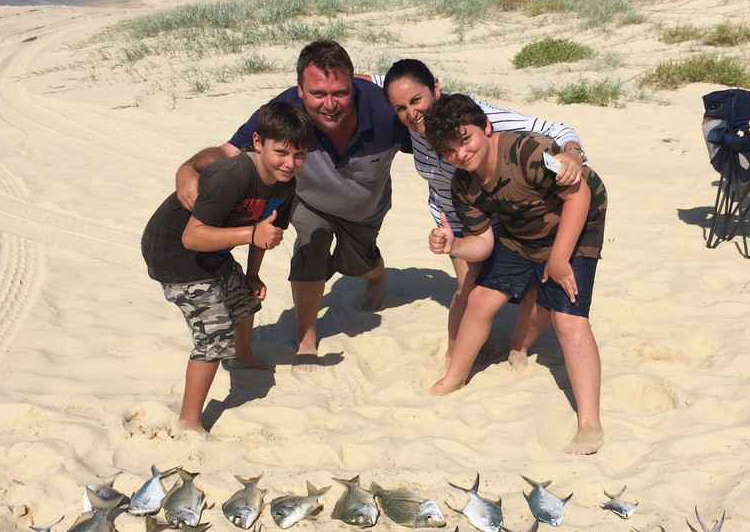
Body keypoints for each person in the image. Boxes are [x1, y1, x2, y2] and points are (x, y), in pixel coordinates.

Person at [176, 40, 411, 371]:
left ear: (353, 87)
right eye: (318, 93)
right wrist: (188, 169)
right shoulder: (284, 110)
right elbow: (229, 150)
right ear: (300, 90)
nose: (330, 104)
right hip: (309, 201)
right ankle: (306, 338)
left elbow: (436, 139)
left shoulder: (385, 111)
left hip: (365, 209)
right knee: (309, 251)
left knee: (359, 264)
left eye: (340, 92)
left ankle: (376, 276)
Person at [424, 94, 607, 456]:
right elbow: (483, 243)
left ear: (486, 128)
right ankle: (454, 376)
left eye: (465, 139)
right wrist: (454, 246)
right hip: (521, 231)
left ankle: (590, 423)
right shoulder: (463, 185)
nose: (461, 153)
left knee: (568, 321)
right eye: (449, 150)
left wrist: (557, 259)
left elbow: (579, 193)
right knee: (478, 298)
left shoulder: (528, 151)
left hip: (578, 222)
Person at [379, 59, 590, 370]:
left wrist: (571, 153)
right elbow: (375, 78)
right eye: (400, 108)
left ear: (435, 87)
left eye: (416, 100)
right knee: (468, 293)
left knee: (539, 290)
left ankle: (518, 347)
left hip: (503, 216)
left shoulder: (475, 119)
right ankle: (454, 357)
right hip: (453, 222)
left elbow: (555, 129)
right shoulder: (415, 125)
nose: (411, 113)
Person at [142, 101, 314, 433]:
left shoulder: (286, 184)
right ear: (258, 143)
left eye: (300, 155)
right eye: (281, 152)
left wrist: (252, 273)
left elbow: (267, 230)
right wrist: (251, 233)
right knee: (214, 335)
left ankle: (243, 356)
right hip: (172, 251)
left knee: (245, 299)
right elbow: (192, 237)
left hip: (214, 246)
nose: (290, 163)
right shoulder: (231, 176)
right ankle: (189, 421)